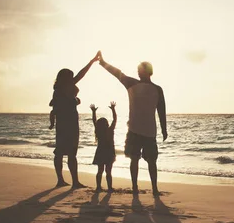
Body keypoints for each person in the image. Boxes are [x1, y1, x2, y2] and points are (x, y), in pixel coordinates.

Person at [98, 54, 167, 197]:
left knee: (152, 161)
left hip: (149, 131)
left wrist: (164, 129)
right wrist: (103, 63)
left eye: (140, 70)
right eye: (137, 70)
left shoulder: (157, 89)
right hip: (134, 129)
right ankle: (135, 187)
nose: (138, 72)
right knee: (134, 159)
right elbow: (118, 73)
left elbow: (161, 109)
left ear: (148, 72)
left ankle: (154, 188)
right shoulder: (131, 83)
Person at [49, 51, 101, 188]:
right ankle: (74, 182)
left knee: (60, 152)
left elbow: (54, 109)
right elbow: (81, 74)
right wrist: (92, 61)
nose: (73, 80)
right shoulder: (64, 88)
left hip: (63, 124)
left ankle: (61, 180)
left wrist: (53, 122)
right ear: (66, 79)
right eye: (71, 77)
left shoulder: (58, 91)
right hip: (69, 124)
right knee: (69, 153)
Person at [90, 101, 117, 192]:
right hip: (109, 153)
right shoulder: (110, 131)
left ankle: (98, 187)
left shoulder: (98, 131)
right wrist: (113, 109)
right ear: (107, 124)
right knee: (108, 171)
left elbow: (94, 121)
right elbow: (115, 119)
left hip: (100, 152)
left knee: (100, 171)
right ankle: (109, 187)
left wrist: (93, 112)